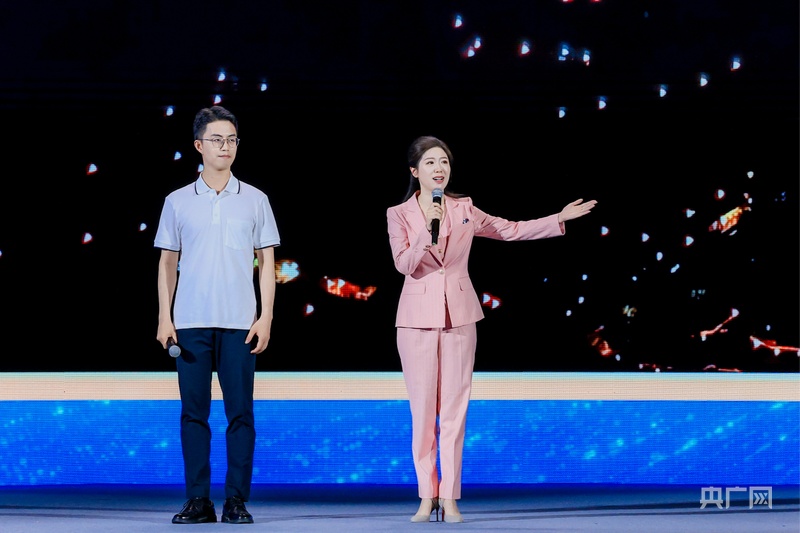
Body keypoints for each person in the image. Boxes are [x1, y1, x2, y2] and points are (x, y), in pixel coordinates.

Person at [386, 135, 596, 523]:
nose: (439, 169)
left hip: (460, 316)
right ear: (414, 171)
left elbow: (509, 229)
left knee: (454, 411)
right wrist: (426, 230)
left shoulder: (464, 208)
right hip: (415, 321)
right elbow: (404, 264)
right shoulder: (398, 214)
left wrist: (558, 219)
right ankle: (426, 496)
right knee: (423, 413)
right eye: (430, 163)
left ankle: (449, 498)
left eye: (444, 162)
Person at [154, 105, 281, 525]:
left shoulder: (256, 199)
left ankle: (236, 501)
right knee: (194, 414)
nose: (225, 147)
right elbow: (167, 263)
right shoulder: (177, 201)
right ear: (199, 145)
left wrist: (266, 317)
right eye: (216, 140)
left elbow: (267, 261)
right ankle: (198, 500)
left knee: (240, 413)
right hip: (189, 322)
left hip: (240, 323)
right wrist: (165, 317)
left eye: (231, 140)